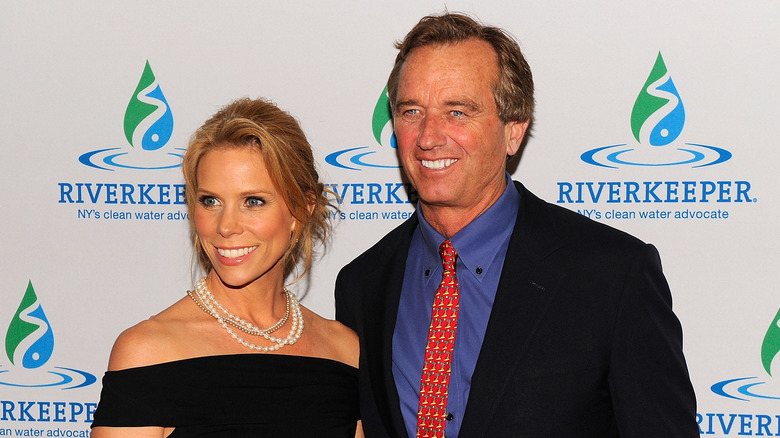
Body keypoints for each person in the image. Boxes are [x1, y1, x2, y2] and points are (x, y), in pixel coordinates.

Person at [334, 12, 698, 437]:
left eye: (457, 112)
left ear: (514, 131)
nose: (429, 136)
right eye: (411, 110)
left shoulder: (612, 274)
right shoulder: (363, 283)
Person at [92, 98, 363, 437]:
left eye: (253, 201)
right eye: (211, 201)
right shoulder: (148, 351)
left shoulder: (344, 351)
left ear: (302, 208)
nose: (226, 225)